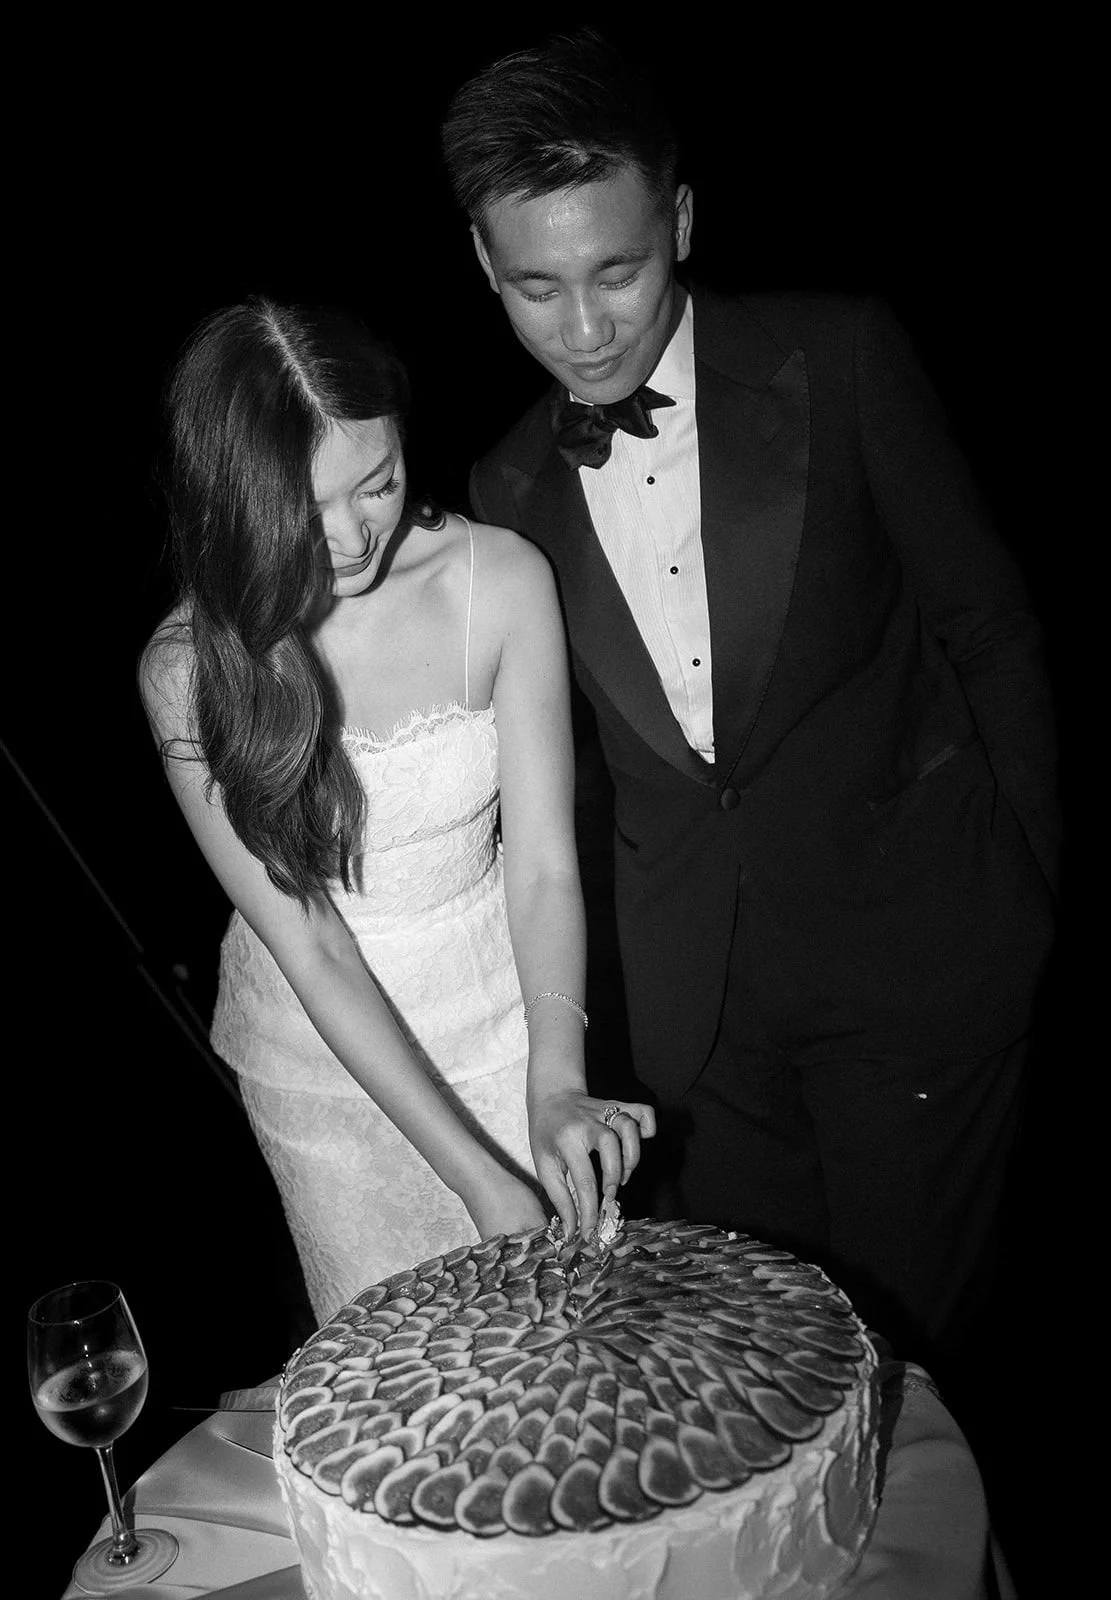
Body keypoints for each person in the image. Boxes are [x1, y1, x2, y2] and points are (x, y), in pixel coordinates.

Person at [441, 33, 1058, 1372]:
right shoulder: (503, 488)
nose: (585, 327)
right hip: (696, 1040)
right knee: (754, 1376)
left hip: (914, 964)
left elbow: (987, 625)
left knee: (912, 1371)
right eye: (536, 289)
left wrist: (1022, 896)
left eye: (616, 271)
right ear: (485, 267)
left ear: (677, 219)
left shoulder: (837, 357)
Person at [140, 298, 654, 1321]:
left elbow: (545, 861)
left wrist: (554, 1083)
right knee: (401, 1390)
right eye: (302, 508)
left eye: (375, 483)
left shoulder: (499, 580)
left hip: (508, 1015)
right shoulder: (186, 670)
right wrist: (473, 1173)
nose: (349, 535)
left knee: (562, 1360)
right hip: (325, 1069)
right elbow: (315, 945)